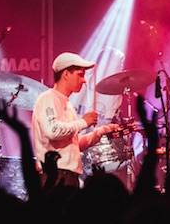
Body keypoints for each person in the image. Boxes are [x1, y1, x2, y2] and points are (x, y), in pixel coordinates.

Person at [31, 52, 122, 187]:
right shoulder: (48, 98)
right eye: (80, 75)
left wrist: (101, 132)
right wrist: (83, 122)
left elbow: (74, 144)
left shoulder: (67, 104)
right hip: (55, 177)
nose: (84, 80)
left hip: (67, 176)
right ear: (66, 74)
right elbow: (53, 131)